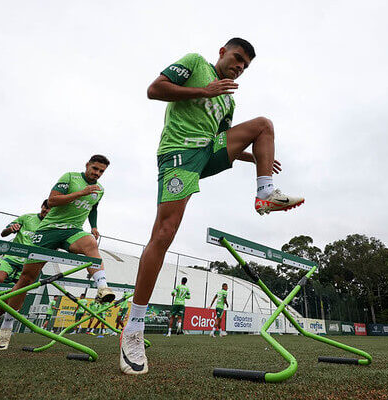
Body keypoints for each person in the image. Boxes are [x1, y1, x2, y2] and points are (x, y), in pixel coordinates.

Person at [121, 37, 304, 375]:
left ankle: (265, 193)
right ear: (222, 52)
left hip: (208, 151)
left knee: (263, 125)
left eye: (245, 66)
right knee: (164, 233)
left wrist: (255, 157)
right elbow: (154, 89)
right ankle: (133, 327)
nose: (239, 67)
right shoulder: (195, 64)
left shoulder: (228, 102)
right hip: (179, 154)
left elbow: (225, 141)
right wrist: (203, 91)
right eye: (237, 59)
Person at [0, 155, 115, 351]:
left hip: (72, 231)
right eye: (95, 169)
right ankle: (6, 326)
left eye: (101, 171)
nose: (97, 173)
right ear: (87, 165)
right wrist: (81, 193)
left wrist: (94, 226)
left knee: (91, 243)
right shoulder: (70, 177)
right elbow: (52, 200)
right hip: (48, 230)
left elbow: (93, 209)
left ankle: (103, 288)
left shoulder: (99, 190)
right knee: (27, 278)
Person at [0, 200, 50, 322]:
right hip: (11, 258)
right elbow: (3, 233)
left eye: (51, 210)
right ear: (42, 206)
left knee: (12, 298)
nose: (47, 211)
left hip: (28, 265)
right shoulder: (26, 218)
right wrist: (10, 229)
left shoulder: (52, 226)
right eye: (46, 208)